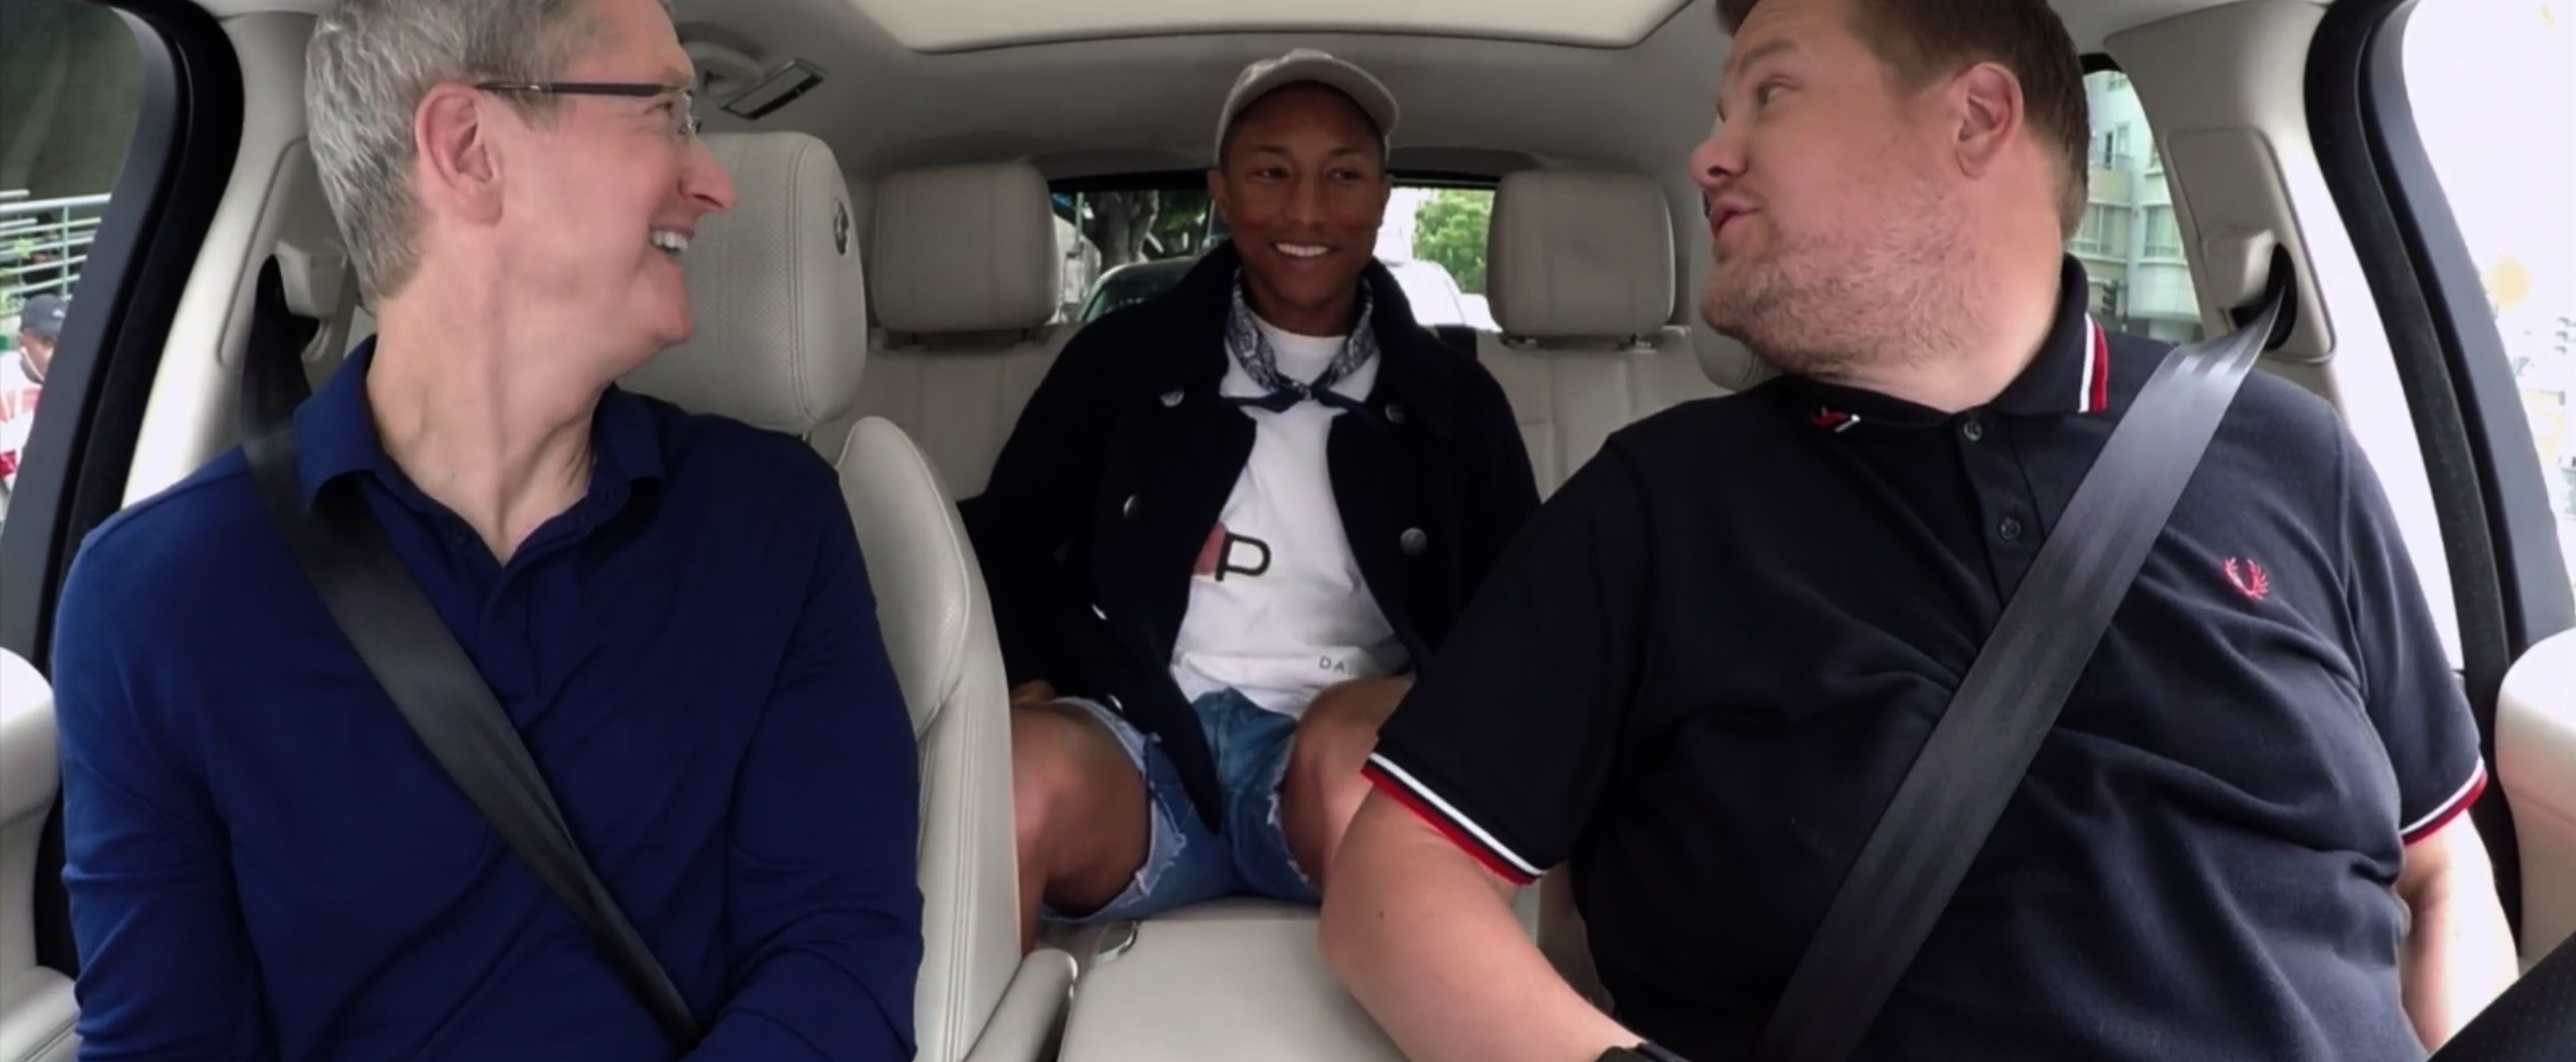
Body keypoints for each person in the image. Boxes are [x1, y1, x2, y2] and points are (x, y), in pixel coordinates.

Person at [1320, 1, 2521, 1059]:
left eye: (1770, 93)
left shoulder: (2287, 453)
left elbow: (2439, 863)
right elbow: (1396, 883)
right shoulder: (1654, 504)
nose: (1708, 154)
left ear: (1976, 119)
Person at [49, 0, 921, 1058]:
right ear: (468, 149)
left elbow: (835, 956)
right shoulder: (158, 601)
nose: (715, 181)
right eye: (665, 111)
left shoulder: (772, 525)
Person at [963, 49, 1540, 951]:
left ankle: (1448, 1002)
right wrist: (1030, 675)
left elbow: (1520, 610)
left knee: (1355, 751)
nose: (1306, 211)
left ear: (1381, 197)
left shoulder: (1455, 402)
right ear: (1222, 192)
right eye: (1271, 173)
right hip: (1138, 744)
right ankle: (961, 1024)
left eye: (1342, 175)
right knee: (1008, 775)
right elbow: (1009, 539)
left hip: (1336, 750)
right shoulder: (1119, 363)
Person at [0, 293, 65, 490]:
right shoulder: (5, 387)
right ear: (22, 342)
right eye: (48, 343)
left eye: (64, 342)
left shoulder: (79, 376)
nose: (59, 353)